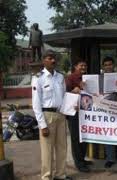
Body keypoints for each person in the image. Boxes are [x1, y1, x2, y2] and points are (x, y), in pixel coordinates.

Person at [32, 50, 72, 180]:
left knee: (62, 148)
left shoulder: (60, 77)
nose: (53, 60)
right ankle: (46, 176)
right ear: (44, 60)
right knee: (47, 150)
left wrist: (69, 109)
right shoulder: (38, 78)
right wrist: (42, 125)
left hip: (60, 115)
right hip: (47, 116)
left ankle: (60, 174)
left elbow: (65, 97)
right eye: (50, 58)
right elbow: (36, 103)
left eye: (54, 58)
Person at [65, 59, 91, 172]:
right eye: (81, 65)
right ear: (75, 66)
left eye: (85, 65)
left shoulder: (88, 79)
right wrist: (74, 90)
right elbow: (64, 94)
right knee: (76, 138)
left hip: (85, 111)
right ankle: (79, 163)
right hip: (74, 113)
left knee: (84, 136)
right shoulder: (70, 78)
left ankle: (82, 159)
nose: (83, 68)